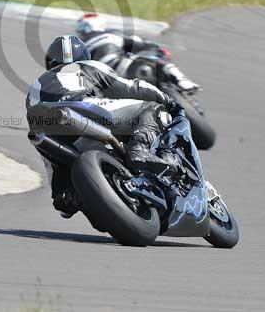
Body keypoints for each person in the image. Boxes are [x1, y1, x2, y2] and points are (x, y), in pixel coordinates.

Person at [26, 35, 181, 218]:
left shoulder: (34, 88)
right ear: (83, 55)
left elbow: (46, 153)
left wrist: (59, 192)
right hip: (84, 107)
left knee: (54, 161)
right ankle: (140, 148)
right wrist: (167, 99)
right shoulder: (88, 66)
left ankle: (69, 195)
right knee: (153, 110)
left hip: (51, 130)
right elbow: (131, 87)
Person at [76, 12, 199, 92]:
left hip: (102, 81)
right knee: (155, 56)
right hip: (122, 67)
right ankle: (180, 79)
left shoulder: (78, 45)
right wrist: (160, 52)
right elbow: (141, 43)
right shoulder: (111, 33)